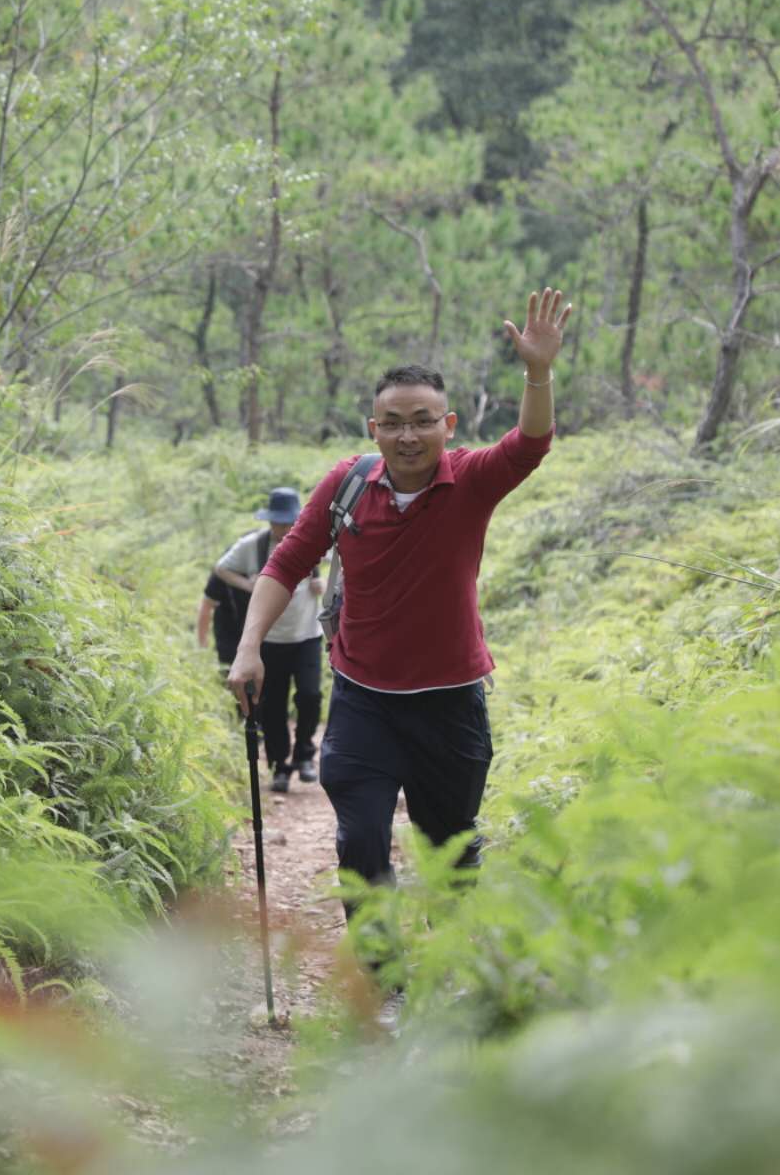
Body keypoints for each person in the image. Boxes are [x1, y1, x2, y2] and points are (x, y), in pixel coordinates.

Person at [226, 287, 570, 908]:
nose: (407, 435)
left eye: (422, 420)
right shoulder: (348, 484)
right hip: (364, 700)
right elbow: (287, 562)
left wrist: (538, 372)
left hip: (451, 702)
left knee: (450, 854)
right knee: (360, 843)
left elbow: (529, 445)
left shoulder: (472, 481)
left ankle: (450, 962)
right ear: (373, 429)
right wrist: (249, 647)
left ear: (448, 425)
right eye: (393, 423)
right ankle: (379, 964)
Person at [215, 487, 325, 792]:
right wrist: (248, 585)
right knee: (273, 705)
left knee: (310, 696)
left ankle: (304, 755)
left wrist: (324, 584)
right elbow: (221, 568)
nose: (284, 528)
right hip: (269, 639)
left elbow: (345, 559)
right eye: (279, 522)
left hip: (306, 636)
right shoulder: (253, 546)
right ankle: (279, 766)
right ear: (269, 520)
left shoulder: (313, 539)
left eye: (289, 521)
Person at [196, 571, 246, 666]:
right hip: (228, 639)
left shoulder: (267, 568)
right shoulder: (223, 569)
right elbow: (206, 606)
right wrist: (203, 644)